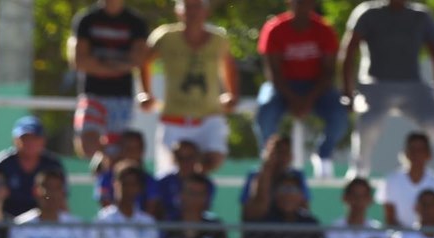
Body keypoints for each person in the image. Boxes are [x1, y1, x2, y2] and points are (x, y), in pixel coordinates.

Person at [340, 0, 434, 177]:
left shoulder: (422, 16)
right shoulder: (367, 13)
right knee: (368, 123)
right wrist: (348, 94)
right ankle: (359, 170)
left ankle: (415, 162)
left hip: (413, 85)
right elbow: (348, 52)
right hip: (375, 85)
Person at [138, 0, 239, 175]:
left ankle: (194, 182)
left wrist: (231, 94)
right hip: (174, 117)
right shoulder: (164, 36)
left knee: (214, 159)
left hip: (209, 116)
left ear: (206, 12)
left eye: (197, 6)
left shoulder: (218, 39)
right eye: (187, 6)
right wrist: (145, 93)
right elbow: (144, 60)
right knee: (170, 172)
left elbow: (229, 66)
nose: (192, 12)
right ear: (178, 12)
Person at [254, 0, 347, 178]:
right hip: (282, 85)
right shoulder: (274, 28)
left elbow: (328, 72)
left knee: (339, 115)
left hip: (317, 87)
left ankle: (324, 155)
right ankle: (269, 158)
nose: (302, 4)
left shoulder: (325, 30)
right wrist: (294, 99)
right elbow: (273, 73)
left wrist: (308, 99)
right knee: (265, 110)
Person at [69, 0, 149, 161]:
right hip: (92, 93)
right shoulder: (86, 19)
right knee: (88, 146)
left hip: (122, 96)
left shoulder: (136, 22)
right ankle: (101, 164)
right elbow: (79, 61)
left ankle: (107, 175)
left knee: (120, 151)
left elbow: (138, 60)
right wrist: (119, 66)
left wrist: (99, 64)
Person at [0, 117, 67, 220]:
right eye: (25, 138)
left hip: (41, 222)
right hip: (7, 222)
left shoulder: (53, 165)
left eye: (34, 138)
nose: (29, 142)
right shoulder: (2, 164)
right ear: (15, 139)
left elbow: (61, 200)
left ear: (43, 140)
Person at [379, 131, 434, 229]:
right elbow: (390, 219)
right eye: (412, 149)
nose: (416, 154)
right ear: (406, 153)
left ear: (428, 154)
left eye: (420, 150)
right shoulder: (391, 180)